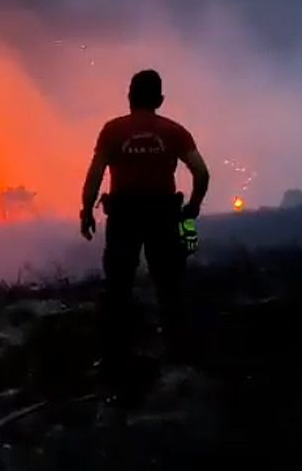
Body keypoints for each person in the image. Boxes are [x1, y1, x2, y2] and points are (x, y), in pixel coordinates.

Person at [80, 69, 210, 402]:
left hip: (123, 215)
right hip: (163, 215)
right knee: (169, 285)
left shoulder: (113, 131)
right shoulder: (174, 132)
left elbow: (94, 175)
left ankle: (115, 360)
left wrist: (87, 211)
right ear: (160, 99)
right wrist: (192, 207)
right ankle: (177, 356)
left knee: (118, 288)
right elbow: (201, 172)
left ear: (129, 97)